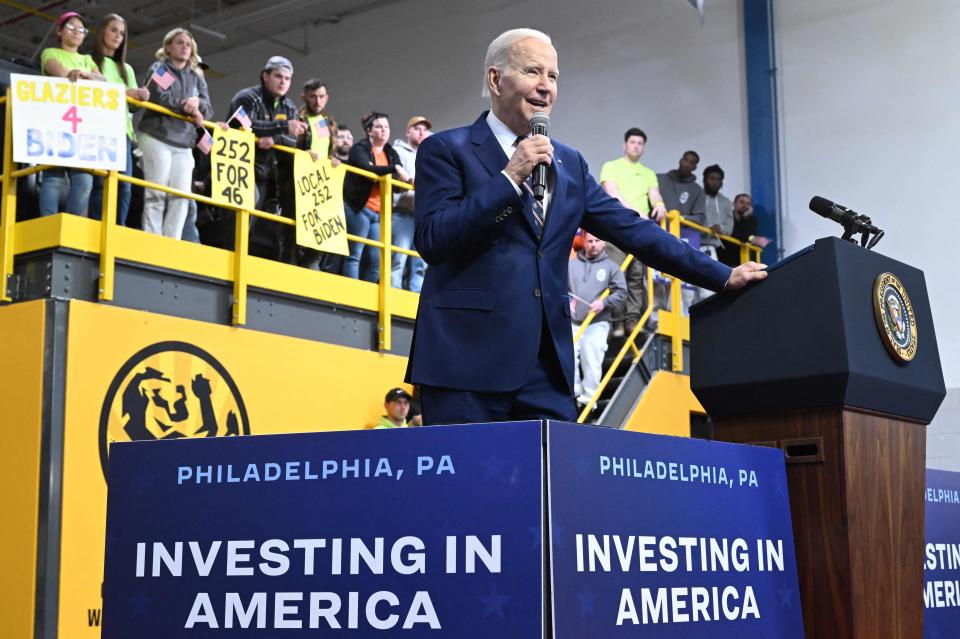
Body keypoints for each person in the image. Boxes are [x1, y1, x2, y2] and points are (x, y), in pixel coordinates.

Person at [406, 28, 766, 425]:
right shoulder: (447, 149)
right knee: (469, 485)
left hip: (547, 368)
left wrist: (722, 274)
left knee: (554, 483)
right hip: (465, 363)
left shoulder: (569, 162)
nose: (546, 87)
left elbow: (635, 232)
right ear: (495, 79)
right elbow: (433, 239)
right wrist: (509, 178)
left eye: (554, 76)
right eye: (533, 72)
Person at [228, 56, 309, 262]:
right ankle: (235, 257)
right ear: (265, 76)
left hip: (273, 175)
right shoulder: (246, 97)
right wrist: (281, 127)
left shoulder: (289, 106)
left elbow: (293, 141)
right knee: (245, 213)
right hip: (242, 167)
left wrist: (273, 138)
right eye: (278, 76)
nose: (283, 82)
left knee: (270, 223)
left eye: (288, 78)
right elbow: (242, 125)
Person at [138, 28, 212, 239]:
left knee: (181, 196)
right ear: (168, 47)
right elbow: (160, 97)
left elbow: (208, 107)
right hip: (157, 137)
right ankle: (151, 238)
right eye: (179, 43)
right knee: (157, 192)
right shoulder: (160, 68)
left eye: (188, 44)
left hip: (184, 143)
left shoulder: (197, 75)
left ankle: (172, 241)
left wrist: (197, 105)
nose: (185, 47)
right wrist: (186, 107)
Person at [599, 127, 666, 336]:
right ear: (624, 145)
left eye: (640, 143)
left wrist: (660, 204)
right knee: (616, 274)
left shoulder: (648, 173)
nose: (636, 146)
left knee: (636, 278)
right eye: (633, 142)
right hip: (617, 227)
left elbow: (653, 194)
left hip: (639, 230)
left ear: (643, 148)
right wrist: (634, 210)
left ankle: (632, 321)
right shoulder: (611, 166)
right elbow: (611, 192)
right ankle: (616, 322)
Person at [38, 11, 104, 218]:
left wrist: (83, 75)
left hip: (83, 128)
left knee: (85, 181)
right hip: (56, 123)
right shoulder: (50, 52)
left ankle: (71, 224)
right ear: (59, 31)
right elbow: (58, 71)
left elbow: (102, 82)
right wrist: (77, 75)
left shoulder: (87, 60)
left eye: (81, 29)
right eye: (71, 27)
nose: (77, 32)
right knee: (53, 178)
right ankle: (47, 224)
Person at [88, 13, 149, 226]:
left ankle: (118, 226)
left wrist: (140, 97)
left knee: (124, 185)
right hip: (97, 129)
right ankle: (96, 223)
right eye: (113, 30)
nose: (118, 36)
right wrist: (126, 92)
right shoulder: (89, 61)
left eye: (122, 33)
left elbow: (133, 105)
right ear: (102, 31)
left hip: (122, 130)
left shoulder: (127, 69)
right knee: (99, 182)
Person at [342, 112, 409, 281]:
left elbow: (398, 184)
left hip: (380, 213)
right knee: (354, 254)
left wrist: (397, 174)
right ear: (369, 131)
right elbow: (367, 170)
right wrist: (393, 169)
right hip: (360, 208)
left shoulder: (391, 152)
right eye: (379, 127)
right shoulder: (360, 148)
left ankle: (366, 300)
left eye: (386, 127)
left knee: (375, 261)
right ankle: (352, 294)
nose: (384, 130)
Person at [569, 233, 626, 408]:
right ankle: (575, 394)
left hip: (597, 322)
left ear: (604, 243)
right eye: (590, 241)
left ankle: (588, 403)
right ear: (584, 243)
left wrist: (604, 302)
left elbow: (622, 293)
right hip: (572, 321)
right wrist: (567, 301)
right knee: (567, 359)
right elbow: (557, 287)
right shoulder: (571, 264)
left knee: (591, 362)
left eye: (597, 241)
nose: (594, 245)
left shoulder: (611, 267)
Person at [392, 116, 431, 291]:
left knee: (420, 261)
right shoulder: (398, 151)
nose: (422, 132)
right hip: (403, 211)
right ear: (408, 132)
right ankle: (393, 290)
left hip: (423, 214)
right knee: (398, 257)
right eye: (417, 128)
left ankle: (416, 295)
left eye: (424, 129)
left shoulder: (431, 154)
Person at [719, 193, 771, 267]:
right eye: (741, 202)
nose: (744, 206)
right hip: (725, 257)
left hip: (744, 260)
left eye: (748, 204)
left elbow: (749, 235)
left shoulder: (752, 220)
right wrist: (750, 238)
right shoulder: (726, 217)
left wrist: (745, 218)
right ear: (734, 204)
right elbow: (733, 234)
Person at [298, 79, 339, 165]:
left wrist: (333, 158)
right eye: (313, 96)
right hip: (301, 172)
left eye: (321, 96)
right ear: (303, 98)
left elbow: (326, 147)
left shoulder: (327, 120)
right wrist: (303, 154)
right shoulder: (296, 120)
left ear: (326, 98)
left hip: (323, 174)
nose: (318, 102)